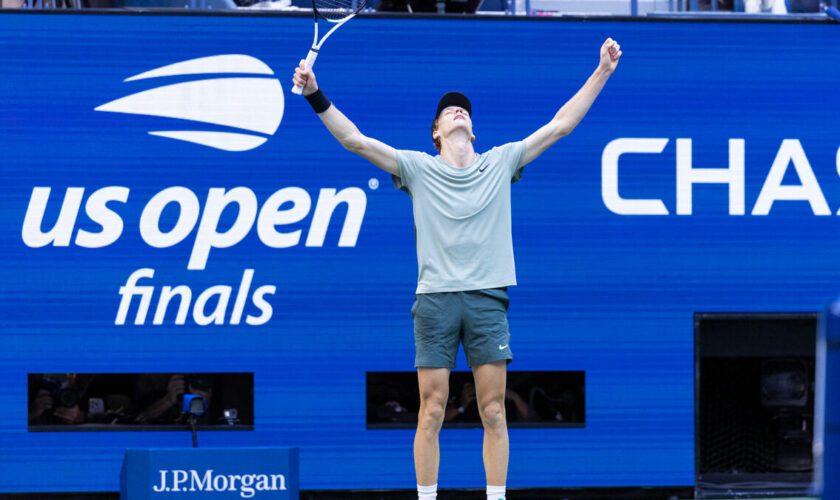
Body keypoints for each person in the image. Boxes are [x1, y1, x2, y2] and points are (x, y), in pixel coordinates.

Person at [292, 38, 621, 500]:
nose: (458, 112)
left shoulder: (500, 162)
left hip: (487, 299)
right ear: (435, 133)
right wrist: (314, 93)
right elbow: (355, 140)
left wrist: (602, 71)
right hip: (436, 300)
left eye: (464, 110)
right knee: (432, 409)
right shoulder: (417, 167)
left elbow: (560, 126)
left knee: (493, 411)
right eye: (449, 111)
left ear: (474, 128)